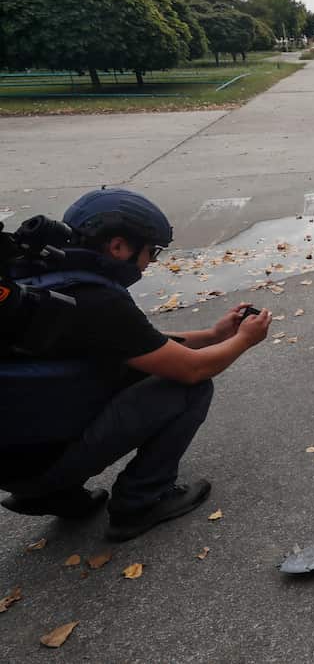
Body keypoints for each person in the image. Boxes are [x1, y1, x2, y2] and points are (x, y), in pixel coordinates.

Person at [0, 189, 271, 541]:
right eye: (150, 251)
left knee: (137, 370)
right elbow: (192, 369)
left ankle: (52, 494)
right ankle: (141, 501)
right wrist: (244, 340)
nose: (150, 263)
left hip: (16, 453)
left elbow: (139, 344)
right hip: (39, 463)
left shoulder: (36, 275)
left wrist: (215, 333)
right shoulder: (97, 301)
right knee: (190, 389)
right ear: (118, 247)